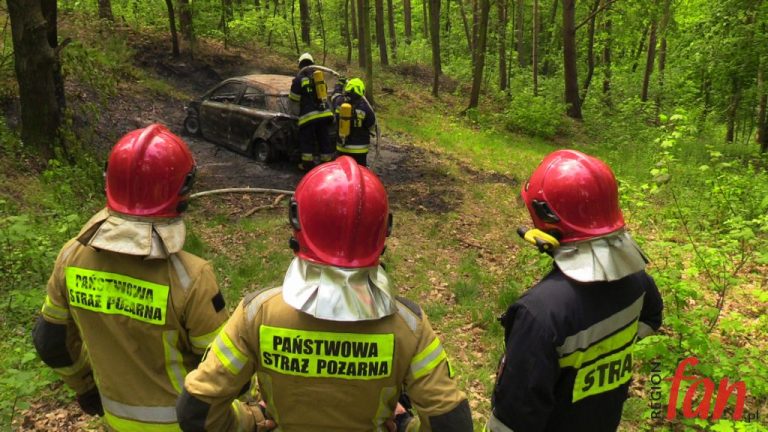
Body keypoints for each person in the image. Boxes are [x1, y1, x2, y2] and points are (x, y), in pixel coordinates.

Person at [176, 156, 473, 432]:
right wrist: (406, 424)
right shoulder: (410, 327)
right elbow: (452, 423)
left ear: (298, 223)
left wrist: (251, 419)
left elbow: (197, 409)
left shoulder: (258, 313)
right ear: (382, 233)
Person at [33, 124, 230, 431]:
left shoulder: (71, 257)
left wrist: (84, 386)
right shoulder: (191, 277)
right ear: (182, 189)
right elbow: (223, 373)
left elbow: (50, 342)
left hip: (115, 422)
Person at [486, 149, 664, 432]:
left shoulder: (540, 315)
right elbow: (652, 318)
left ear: (548, 220)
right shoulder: (638, 282)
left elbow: (511, 421)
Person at [289, 52, 334, 171]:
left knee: (307, 141)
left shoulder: (298, 79)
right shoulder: (319, 77)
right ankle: (327, 164)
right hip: (324, 114)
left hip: (308, 117)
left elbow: (294, 99)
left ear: (300, 65)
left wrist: (294, 114)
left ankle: (307, 165)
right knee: (324, 138)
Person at [331, 77, 376, 166]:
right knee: (359, 171)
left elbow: (334, 96)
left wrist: (339, 85)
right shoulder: (365, 107)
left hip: (342, 147)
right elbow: (371, 124)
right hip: (360, 150)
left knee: (342, 170)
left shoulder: (340, 102)